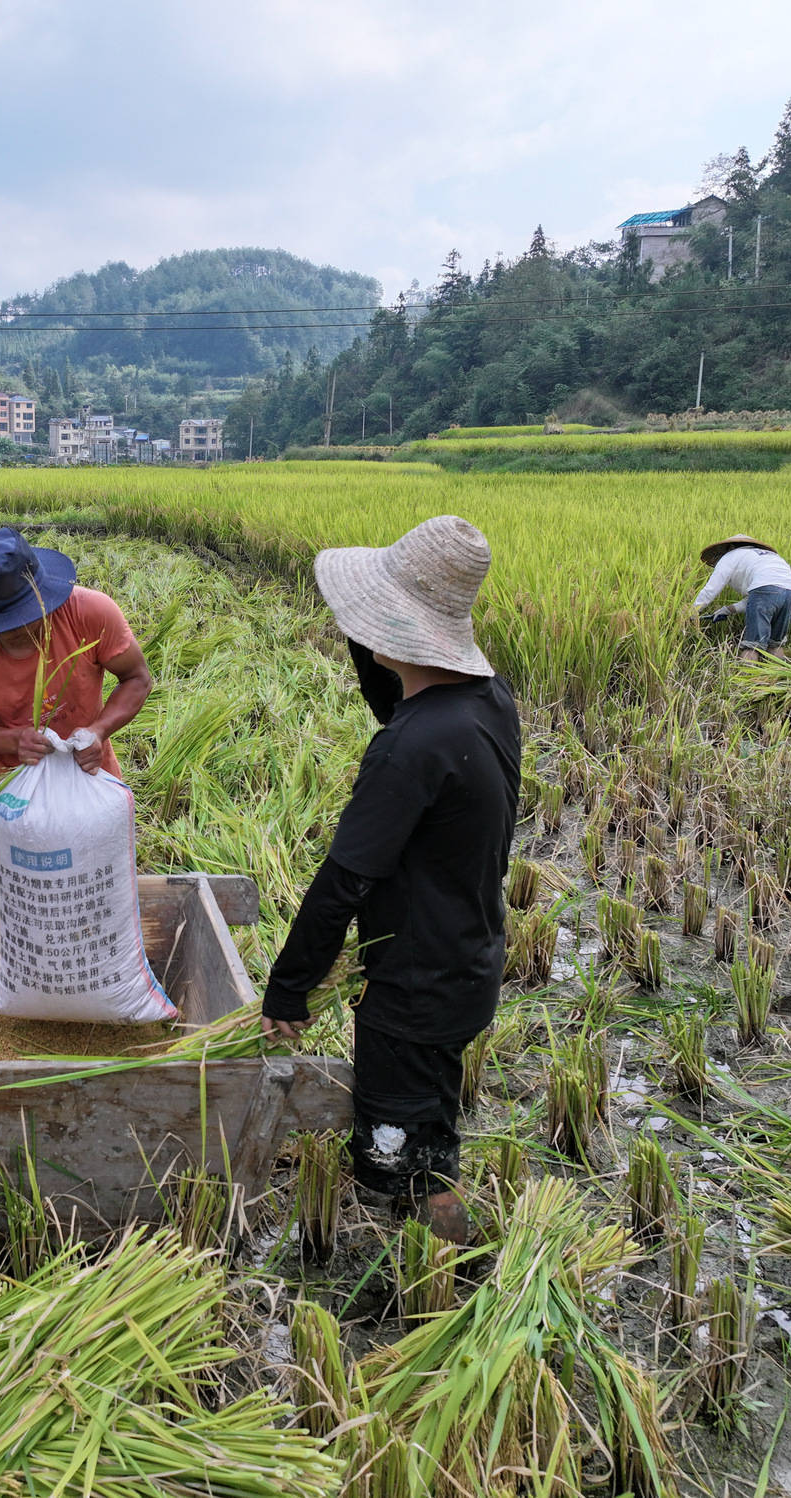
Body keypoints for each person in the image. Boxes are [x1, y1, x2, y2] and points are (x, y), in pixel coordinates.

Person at [259, 515, 521, 1244]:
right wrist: (371, 632)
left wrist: (290, 988)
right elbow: (399, 705)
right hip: (466, 963)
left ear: (397, 629)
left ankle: (442, 1259)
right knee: (431, 1118)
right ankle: (438, 1226)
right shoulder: (487, 702)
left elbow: (342, 882)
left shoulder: (407, 750)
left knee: (399, 1157)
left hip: (412, 990)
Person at [0, 528, 154, 873]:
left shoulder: (89, 613)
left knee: (100, 875)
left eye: (24, 618)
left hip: (88, 775)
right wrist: (14, 740)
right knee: (1, 883)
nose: (14, 631)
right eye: (1, 625)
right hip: (13, 791)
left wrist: (98, 731)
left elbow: (137, 678)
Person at [693, 534, 791, 661]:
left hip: (765, 589)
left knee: (752, 646)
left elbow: (710, 590)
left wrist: (692, 611)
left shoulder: (729, 556)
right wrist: (727, 610)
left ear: (730, 547)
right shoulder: (767, 556)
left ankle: (745, 673)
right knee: (775, 645)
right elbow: (763, 595)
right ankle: (782, 673)